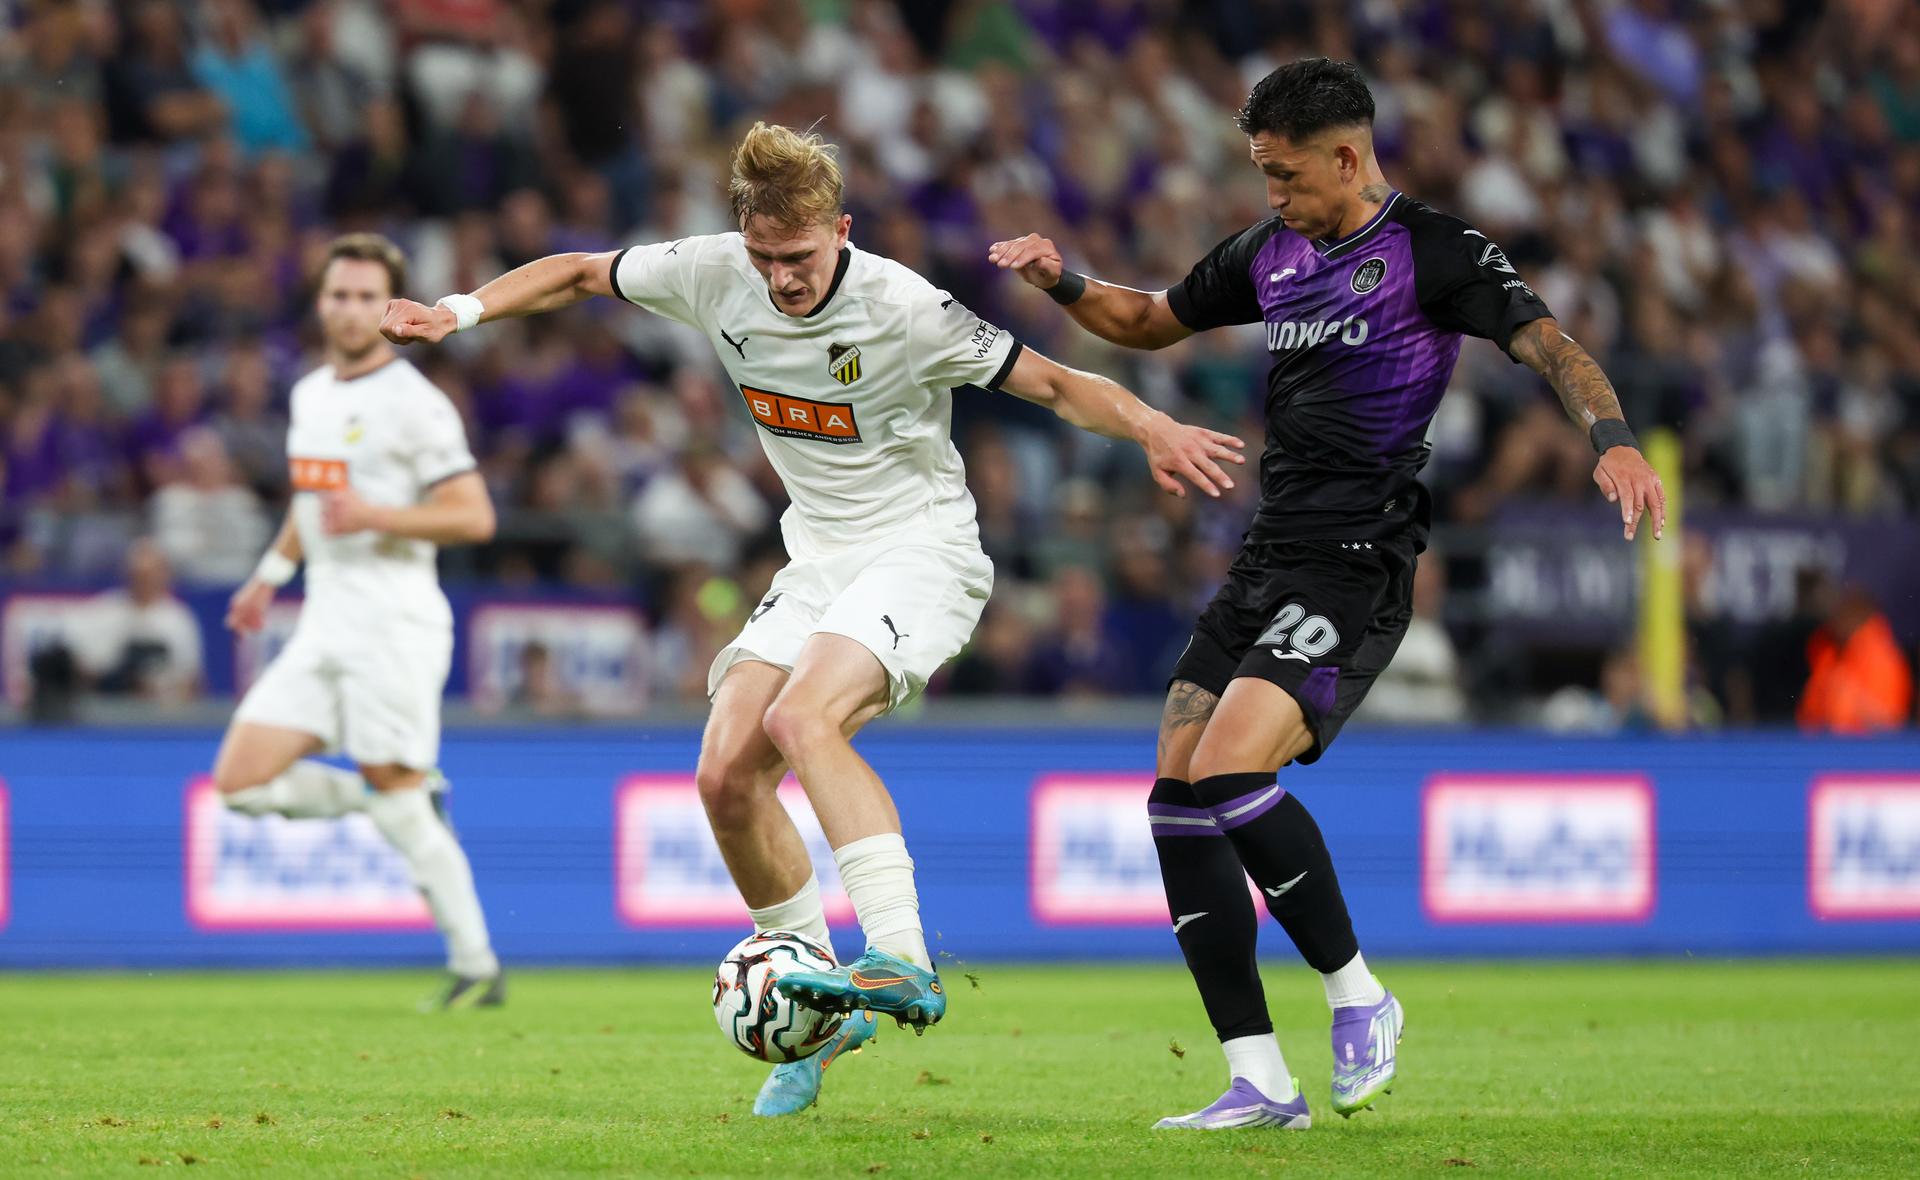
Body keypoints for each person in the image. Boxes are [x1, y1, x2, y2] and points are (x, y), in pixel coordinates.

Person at [378, 121, 1242, 1115]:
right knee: (724, 771)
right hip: (819, 558)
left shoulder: (904, 307)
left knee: (801, 719)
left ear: (841, 228)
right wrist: (457, 312)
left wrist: (1150, 423)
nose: (782, 279)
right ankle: (821, 1011)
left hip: (924, 549)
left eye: (799, 257)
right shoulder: (712, 273)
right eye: (764, 258)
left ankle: (903, 958)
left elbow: (1051, 382)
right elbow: (578, 272)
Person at [989, 59, 1665, 1130]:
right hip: (1268, 555)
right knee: (1175, 787)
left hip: (1358, 559)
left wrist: (1614, 442)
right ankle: (1259, 1077)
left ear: (1348, 157)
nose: (1273, 195)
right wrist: (1063, 284)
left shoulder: (1433, 253)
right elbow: (1151, 319)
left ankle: (1361, 995)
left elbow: (1551, 343)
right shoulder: (1271, 255)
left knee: (1226, 764)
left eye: (1286, 174)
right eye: (1262, 173)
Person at [213, 234, 504, 1010]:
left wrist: (377, 513)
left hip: (395, 620)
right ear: (320, 302)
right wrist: (267, 579)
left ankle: (477, 969)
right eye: (337, 294)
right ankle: (396, 798)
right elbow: (310, 506)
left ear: (391, 308)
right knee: (237, 782)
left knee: (391, 780)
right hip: (323, 623)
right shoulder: (311, 394)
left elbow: (475, 517)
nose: (348, 309)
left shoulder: (415, 403)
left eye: (365, 296)